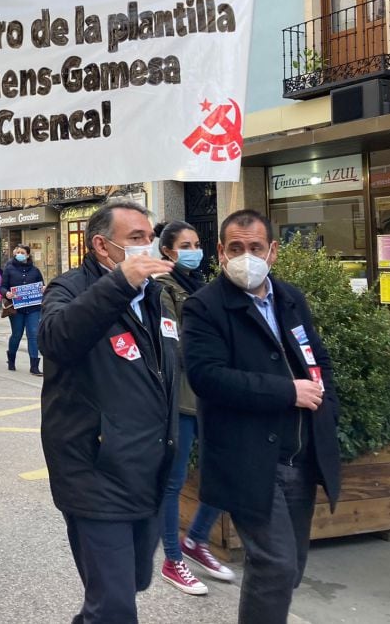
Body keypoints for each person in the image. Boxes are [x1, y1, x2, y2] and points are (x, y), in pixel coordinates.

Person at [183, 209, 341, 624]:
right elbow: (207, 376)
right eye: (236, 248)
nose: (246, 256)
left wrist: (327, 408)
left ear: (272, 252)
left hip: (299, 455)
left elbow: (316, 357)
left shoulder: (291, 298)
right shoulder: (205, 306)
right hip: (248, 457)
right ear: (220, 252)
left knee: (288, 566)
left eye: (255, 247)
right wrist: (288, 391)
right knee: (276, 564)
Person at [38, 200, 178, 624]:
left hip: (147, 468)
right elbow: (56, 339)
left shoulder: (159, 296)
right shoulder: (69, 288)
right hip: (93, 470)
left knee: (127, 586)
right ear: (102, 245)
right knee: (116, 606)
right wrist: (119, 284)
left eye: (150, 238)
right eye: (136, 239)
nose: (148, 246)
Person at [152, 220, 234, 595]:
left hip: (212, 394)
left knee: (227, 471)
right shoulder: (163, 290)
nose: (194, 250)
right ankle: (172, 559)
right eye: (186, 244)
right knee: (175, 480)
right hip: (183, 399)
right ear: (167, 251)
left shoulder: (203, 286)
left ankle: (196, 539)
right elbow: (175, 346)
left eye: (197, 243)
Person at [0, 244, 45, 375]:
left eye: (22, 252)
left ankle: (34, 365)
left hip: (33, 308)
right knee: (17, 334)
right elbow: (2, 287)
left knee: (33, 334)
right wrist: (6, 293)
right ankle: (11, 360)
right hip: (16, 308)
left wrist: (43, 288)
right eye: (17, 252)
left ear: (27, 255)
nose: (19, 254)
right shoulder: (9, 269)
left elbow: (41, 285)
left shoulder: (35, 271)